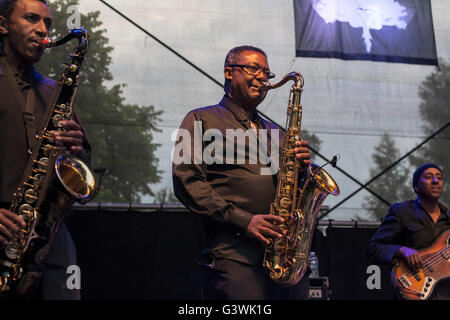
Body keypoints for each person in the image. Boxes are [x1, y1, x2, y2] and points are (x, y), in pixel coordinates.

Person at [172, 45, 312, 300]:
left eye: (266, 73)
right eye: (253, 68)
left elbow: (292, 192)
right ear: (228, 72)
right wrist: (244, 220)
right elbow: (186, 181)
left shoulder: (278, 133)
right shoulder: (198, 119)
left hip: (285, 258)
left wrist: (302, 171)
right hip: (233, 256)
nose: (262, 77)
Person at [0, 0, 91, 299]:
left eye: (47, 24)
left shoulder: (56, 91)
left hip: (50, 239)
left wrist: (78, 148)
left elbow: (82, 170)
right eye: (31, 19)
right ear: (3, 25)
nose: (42, 30)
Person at [365, 163, 450, 300]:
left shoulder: (448, 217)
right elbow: (373, 249)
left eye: (439, 178)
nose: (435, 181)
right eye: (429, 177)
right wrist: (401, 250)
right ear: (416, 187)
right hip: (412, 289)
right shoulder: (401, 212)